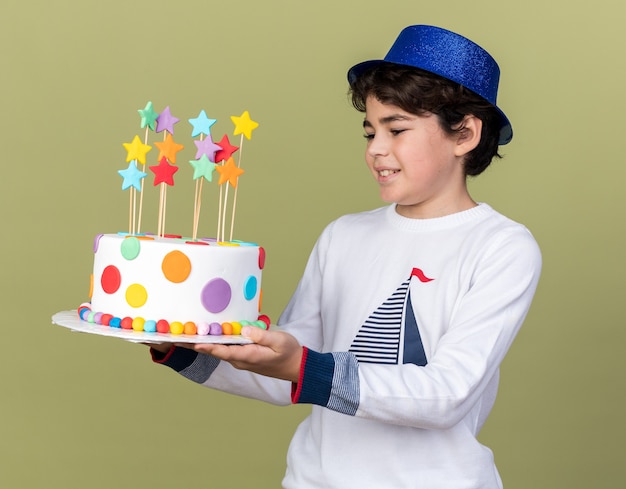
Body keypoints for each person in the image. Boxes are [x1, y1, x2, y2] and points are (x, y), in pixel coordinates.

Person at [150, 24, 542, 489]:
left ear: (464, 134)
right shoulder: (343, 236)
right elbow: (286, 373)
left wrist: (303, 366)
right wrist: (177, 345)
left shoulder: (501, 246)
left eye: (397, 129)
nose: (376, 149)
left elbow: (446, 395)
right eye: (370, 132)